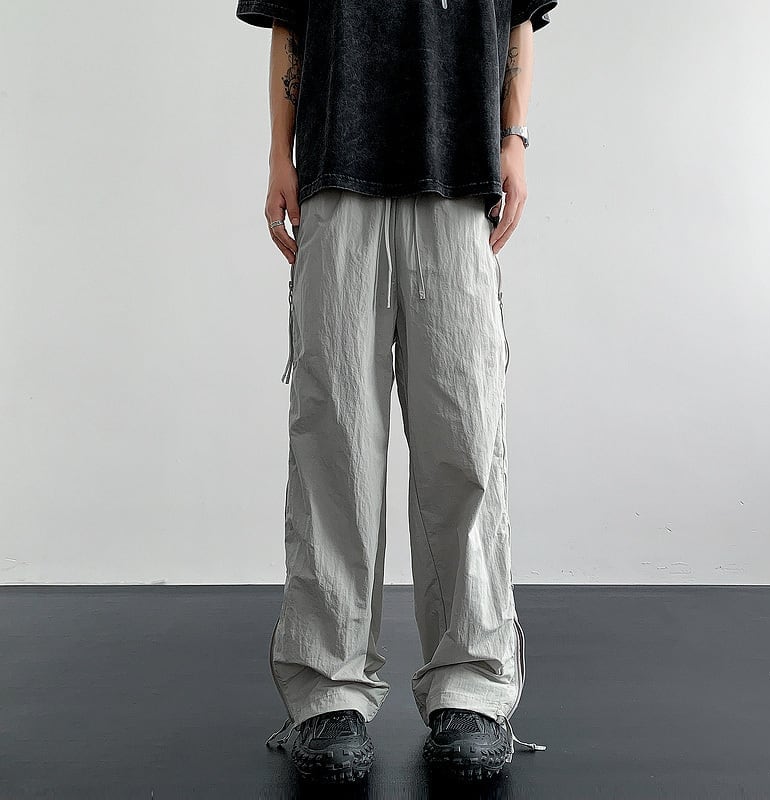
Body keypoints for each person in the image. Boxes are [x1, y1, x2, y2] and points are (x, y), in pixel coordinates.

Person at [235, 0, 557, 784]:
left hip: (460, 177)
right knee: (334, 442)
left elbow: (518, 14)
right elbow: (287, 21)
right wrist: (279, 154)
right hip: (335, 173)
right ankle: (328, 689)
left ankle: (472, 688)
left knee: (465, 440)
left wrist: (514, 140)